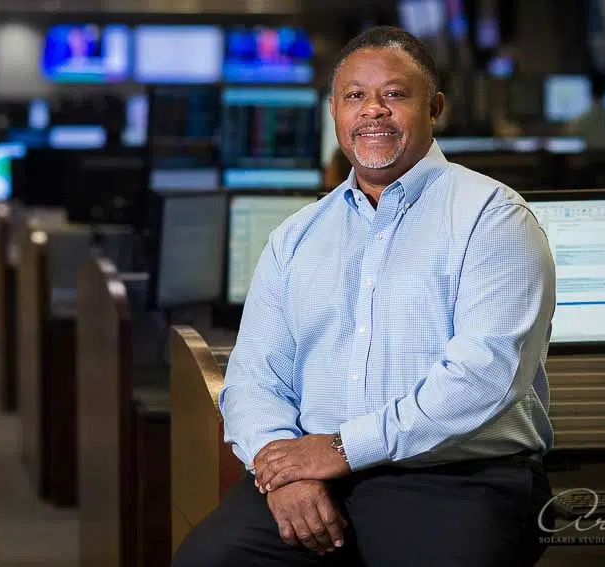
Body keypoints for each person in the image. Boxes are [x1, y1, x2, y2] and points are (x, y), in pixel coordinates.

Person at [172, 25, 556, 567]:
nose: (373, 110)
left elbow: (484, 376)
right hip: (312, 476)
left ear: (434, 107)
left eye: (394, 94)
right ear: (334, 111)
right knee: (206, 560)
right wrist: (281, 471)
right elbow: (254, 377)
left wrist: (341, 449)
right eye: (355, 95)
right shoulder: (297, 236)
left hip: (457, 480)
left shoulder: (492, 218)